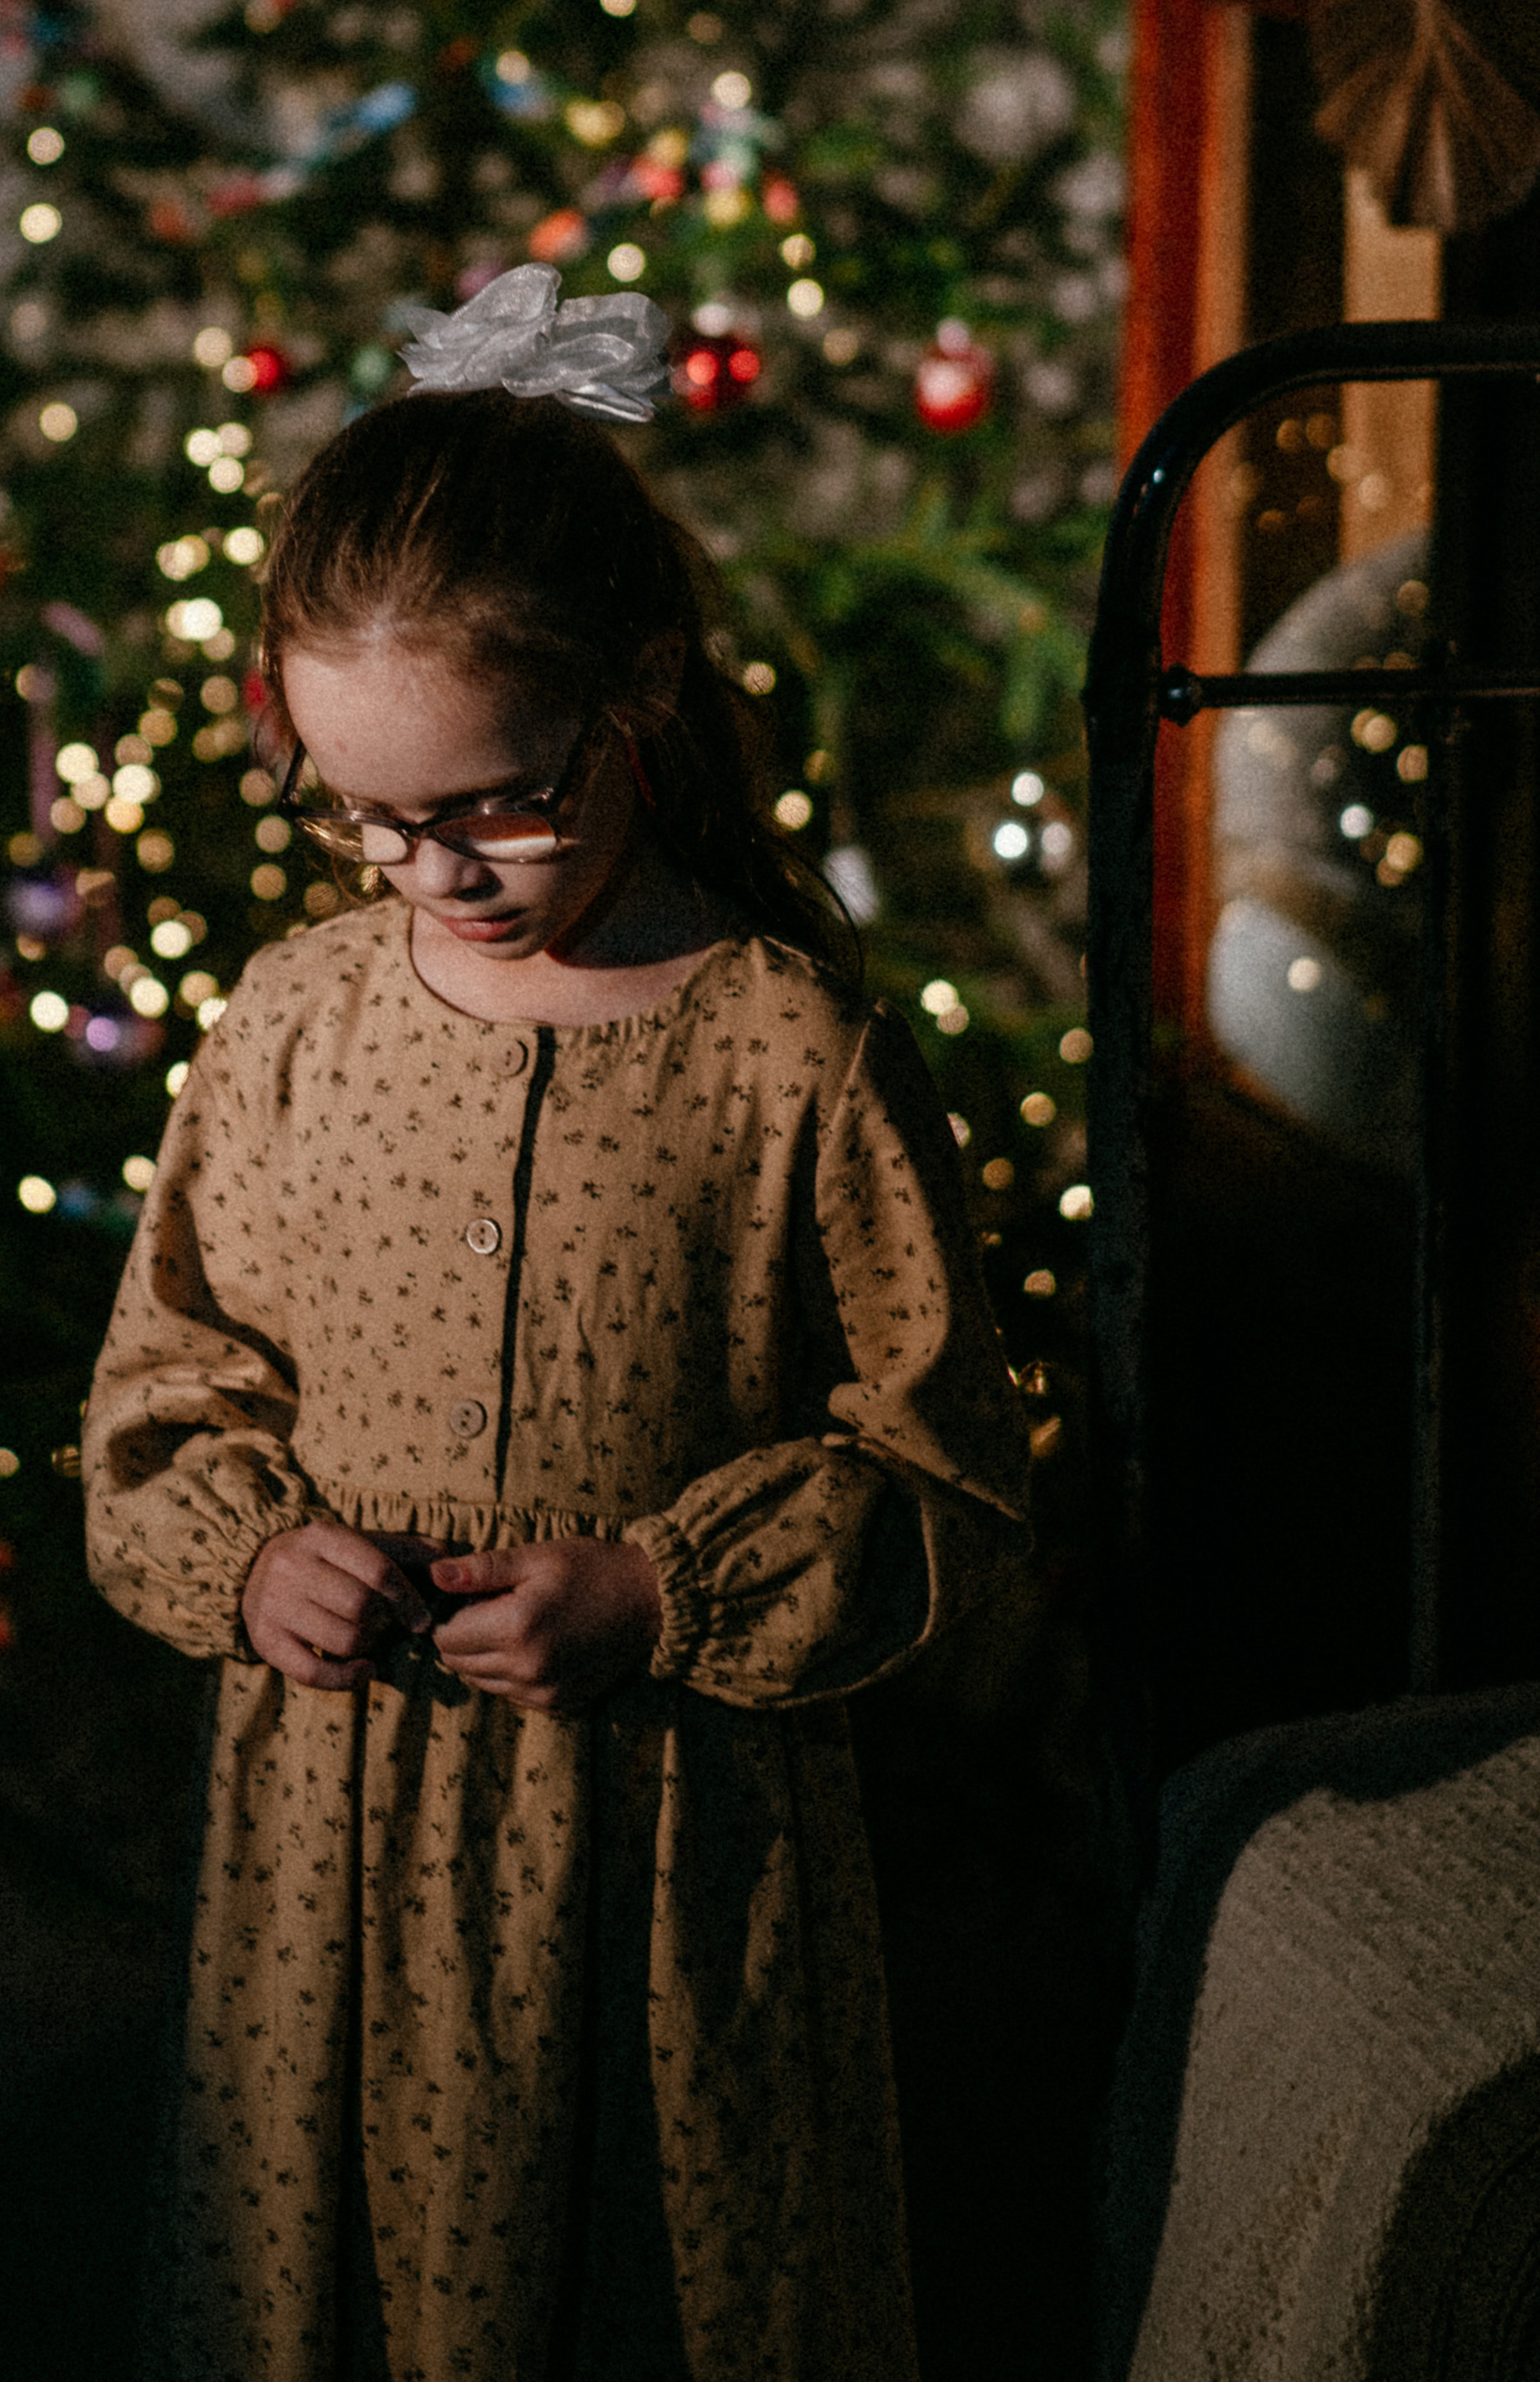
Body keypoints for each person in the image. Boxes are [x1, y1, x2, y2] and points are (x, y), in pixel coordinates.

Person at [82, 272, 1031, 2382]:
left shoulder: (785, 1050)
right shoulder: (294, 1026)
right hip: (331, 1836)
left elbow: (948, 1477)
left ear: (641, 698)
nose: (434, 872)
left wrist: (662, 1590)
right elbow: (160, 1396)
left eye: (496, 801)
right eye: (364, 817)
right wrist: (247, 1555)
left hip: (668, 1851)